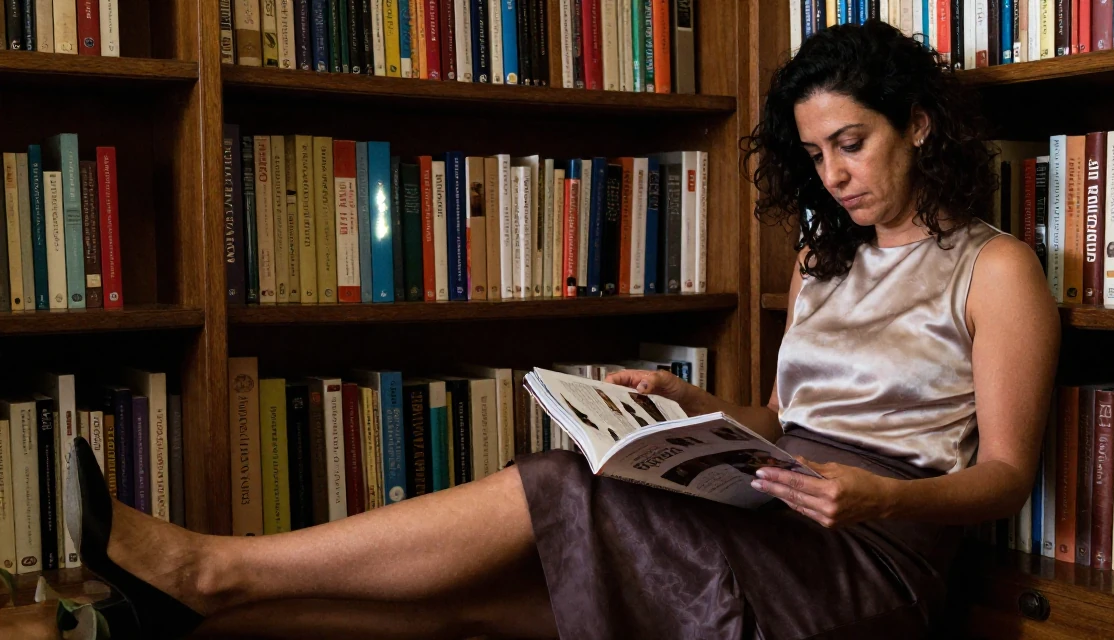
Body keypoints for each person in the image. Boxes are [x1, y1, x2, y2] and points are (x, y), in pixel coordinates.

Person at [25, 19, 1059, 640]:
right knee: (487, 608)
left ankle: (216, 568)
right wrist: (697, 409)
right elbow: (787, 415)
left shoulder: (996, 267)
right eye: (818, 155)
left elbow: (1007, 472)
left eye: (853, 144)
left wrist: (882, 495)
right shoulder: (822, 256)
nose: (835, 176)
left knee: (565, 488)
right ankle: (188, 618)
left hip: (871, 559)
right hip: (778, 506)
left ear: (917, 124)